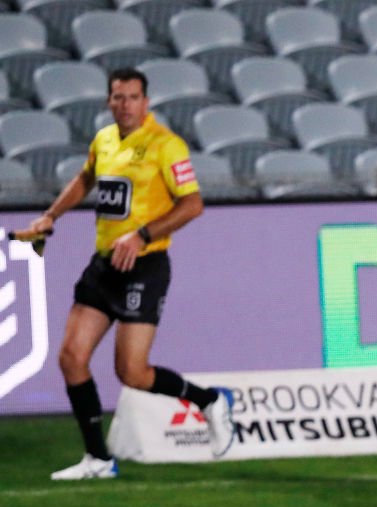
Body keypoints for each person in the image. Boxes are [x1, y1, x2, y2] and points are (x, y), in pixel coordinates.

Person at [11, 68, 235, 480]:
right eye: (118, 97)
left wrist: (143, 235)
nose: (125, 104)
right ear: (109, 101)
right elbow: (85, 178)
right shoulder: (105, 141)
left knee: (132, 373)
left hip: (144, 266)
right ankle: (98, 459)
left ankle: (209, 400)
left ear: (145, 102)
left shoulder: (166, 145)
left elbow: (192, 205)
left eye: (133, 97)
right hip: (104, 265)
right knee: (71, 358)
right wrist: (51, 215)